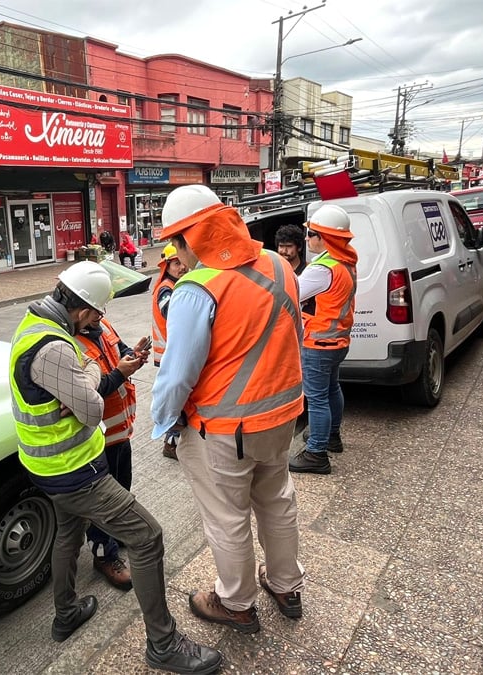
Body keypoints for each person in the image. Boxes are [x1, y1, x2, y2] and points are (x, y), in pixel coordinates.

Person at [8, 261, 222, 674]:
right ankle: (163, 643)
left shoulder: (36, 324)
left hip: (50, 465)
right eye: (98, 311)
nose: (100, 319)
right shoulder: (53, 346)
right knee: (146, 536)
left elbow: (79, 392)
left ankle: (66, 612)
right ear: (85, 308)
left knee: (68, 535)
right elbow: (90, 410)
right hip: (72, 470)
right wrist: (92, 373)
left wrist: (86, 375)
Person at [151, 184, 306, 636]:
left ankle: (236, 602)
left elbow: (177, 375)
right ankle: (285, 584)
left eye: (178, 241)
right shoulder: (280, 264)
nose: (179, 252)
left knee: (227, 516)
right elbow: (291, 335)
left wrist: (164, 422)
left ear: (190, 238)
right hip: (281, 418)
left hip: (223, 430)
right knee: (277, 502)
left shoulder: (197, 288)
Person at [74, 312, 150, 591]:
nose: (101, 314)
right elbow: (88, 390)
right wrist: (121, 372)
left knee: (122, 490)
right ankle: (104, 554)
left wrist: (134, 354)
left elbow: (119, 350)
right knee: (103, 502)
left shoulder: (103, 325)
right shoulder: (70, 341)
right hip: (100, 438)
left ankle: (116, 535)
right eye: (94, 309)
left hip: (121, 432)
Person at [289, 205, 358, 475]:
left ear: (325, 237)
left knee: (316, 399)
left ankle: (316, 452)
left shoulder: (322, 269)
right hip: (337, 341)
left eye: (311, 234)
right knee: (331, 390)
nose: (307, 239)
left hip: (318, 343)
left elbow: (292, 293)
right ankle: (331, 436)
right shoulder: (345, 262)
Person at [151, 243, 189, 460]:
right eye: (176, 263)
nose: (181, 267)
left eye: (182, 262)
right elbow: (173, 315)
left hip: (172, 354)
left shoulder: (177, 285)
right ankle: (171, 442)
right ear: (167, 266)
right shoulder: (166, 288)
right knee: (176, 401)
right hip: (168, 355)